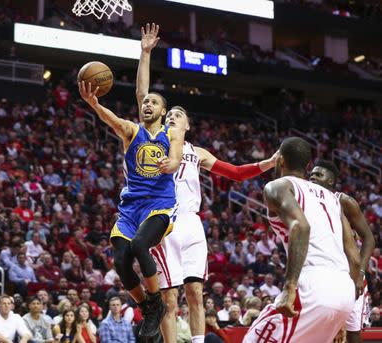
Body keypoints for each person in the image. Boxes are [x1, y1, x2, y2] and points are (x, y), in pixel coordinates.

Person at [136, 23, 278, 343]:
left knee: (196, 293)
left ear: (188, 124)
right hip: (164, 223)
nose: (170, 116)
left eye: (177, 115)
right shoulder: (154, 140)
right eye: (167, 114)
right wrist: (145, 54)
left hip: (192, 225)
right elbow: (142, 97)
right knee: (170, 300)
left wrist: (266, 164)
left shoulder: (197, 152)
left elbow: (236, 173)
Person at [79, 52, 186, 338]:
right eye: (146, 101)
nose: (148, 103)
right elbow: (111, 118)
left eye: (154, 102)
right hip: (131, 208)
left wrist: (171, 164)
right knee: (120, 261)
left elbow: (176, 158)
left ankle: (155, 304)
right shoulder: (131, 131)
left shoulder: (172, 133)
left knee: (140, 245)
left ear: (163, 112)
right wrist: (94, 104)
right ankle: (149, 307)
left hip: (160, 205)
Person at [243, 137, 360, 343]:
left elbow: (301, 227)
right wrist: (343, 307)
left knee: (252, 340)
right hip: (344, 289)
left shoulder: (277, 186)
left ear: (280, 160)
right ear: (307, 166)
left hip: (313, 286)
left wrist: (289, 288)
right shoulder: (331, 197)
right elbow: (354, 256)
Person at [310, 159, 375, 343]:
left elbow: (369, 239)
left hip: (350, 274)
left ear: (330, 181)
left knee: (353, 334)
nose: (313, 177)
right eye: (311, 175)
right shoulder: (305, 201)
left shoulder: (344, 201)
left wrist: (360, 272)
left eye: (318, 174)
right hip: (324, 273)